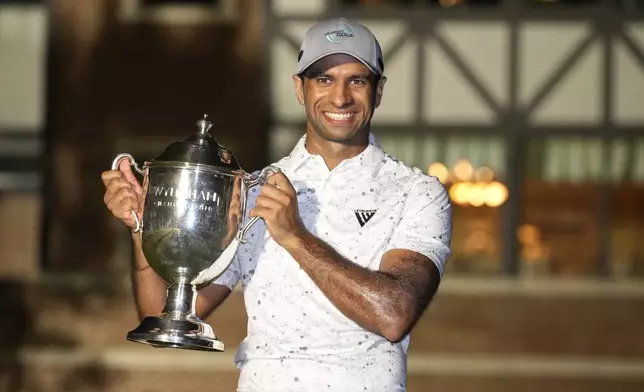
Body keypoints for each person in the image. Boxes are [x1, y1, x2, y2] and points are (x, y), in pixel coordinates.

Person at [102, 17, 452, 392]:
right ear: (299, 89)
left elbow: (393, 314)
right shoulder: (252, 189)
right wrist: (145, 226)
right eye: (324, 79)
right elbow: (163, 315)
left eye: (357, 80)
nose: (340, 97)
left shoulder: (417, 192)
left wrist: (295, 236)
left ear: (378, 91)